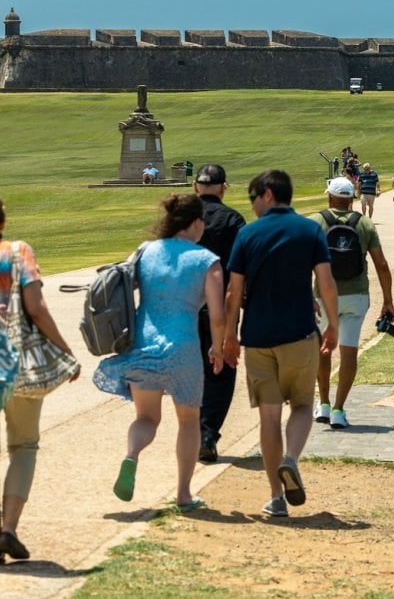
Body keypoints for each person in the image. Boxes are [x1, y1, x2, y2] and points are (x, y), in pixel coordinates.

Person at [95, 194, 226, 512]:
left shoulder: (145, 251)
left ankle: (131, 456)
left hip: (143, 346)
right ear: (196, 223)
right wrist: (218, 348)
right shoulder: (206, 260)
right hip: (183, 348)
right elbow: (218, 316)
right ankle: (183, 494)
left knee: (147, 418)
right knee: (189, 420)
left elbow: (120, 286)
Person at [223, 170, 338, 517]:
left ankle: (276, 497)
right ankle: (291, 460)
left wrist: (230, 334)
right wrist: (332, 324)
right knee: (303, 405)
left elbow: (234, 292)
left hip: (258, 338)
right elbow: (326, 283)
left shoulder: (247, 234)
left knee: (269, 418)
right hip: (300, 334)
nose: (252, 205)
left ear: (268, 194)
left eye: (253, 198)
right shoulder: (310, 230)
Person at [0, 198, 80, 561]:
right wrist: (66, 351)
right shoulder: (17, 252)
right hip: (17, 362)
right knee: (24, 445)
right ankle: (8, 528)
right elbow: (36, 307)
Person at [311, 177, 394, 429]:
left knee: (323, 349)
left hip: (323, 295)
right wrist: (388, 300)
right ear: (352, 199)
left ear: (329, 197)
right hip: (356, 294)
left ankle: (324, 404)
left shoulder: (316, 222)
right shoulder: (365, 224)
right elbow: (381, 264)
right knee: (349, 351)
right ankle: (339, 409)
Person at [193, 163, 246, 463]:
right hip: (223, 305)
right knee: (221, 370)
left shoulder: (181, 218)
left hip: (183, 306)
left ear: (195, 187)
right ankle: (207, 433)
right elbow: (241, 269)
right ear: (224, 187)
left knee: (189, 371)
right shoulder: (233, 220)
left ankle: (191, 433)